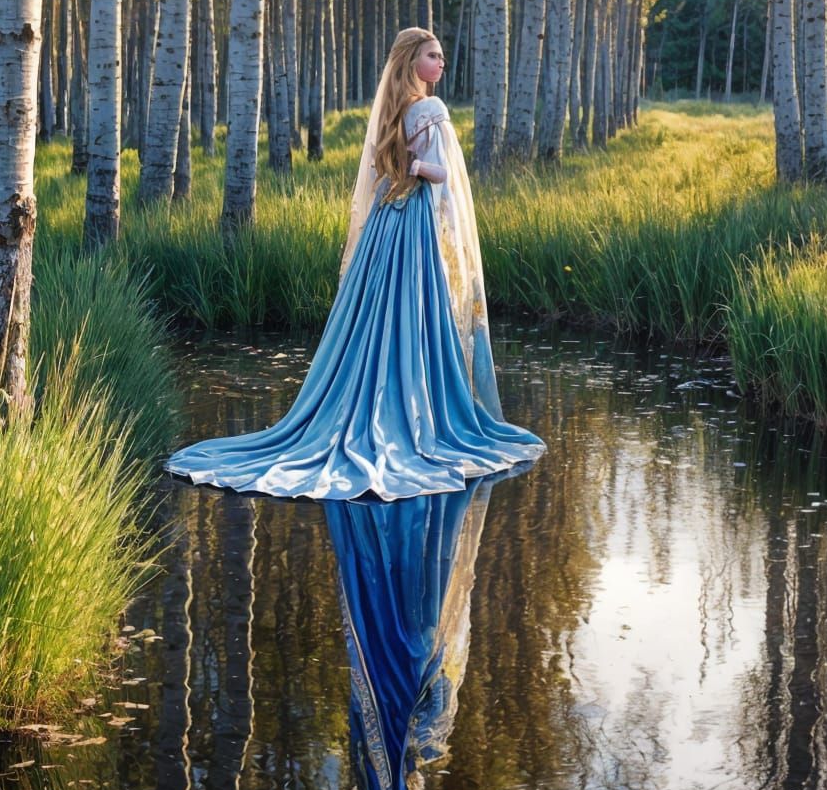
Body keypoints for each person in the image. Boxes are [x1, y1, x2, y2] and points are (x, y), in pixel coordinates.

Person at [165, 27, 544, 500]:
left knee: (372, 315)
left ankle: (366, 397)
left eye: (442, 57)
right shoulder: (430, 109)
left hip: (385, 225)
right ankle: (412, 405)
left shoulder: (392, 110)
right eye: (433, 56)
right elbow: (442, 174)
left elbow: (379, 172)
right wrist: (422, 169)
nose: (441, 64)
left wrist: (405, 170)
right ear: (411, 62)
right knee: (415, 312)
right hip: (414, 227)